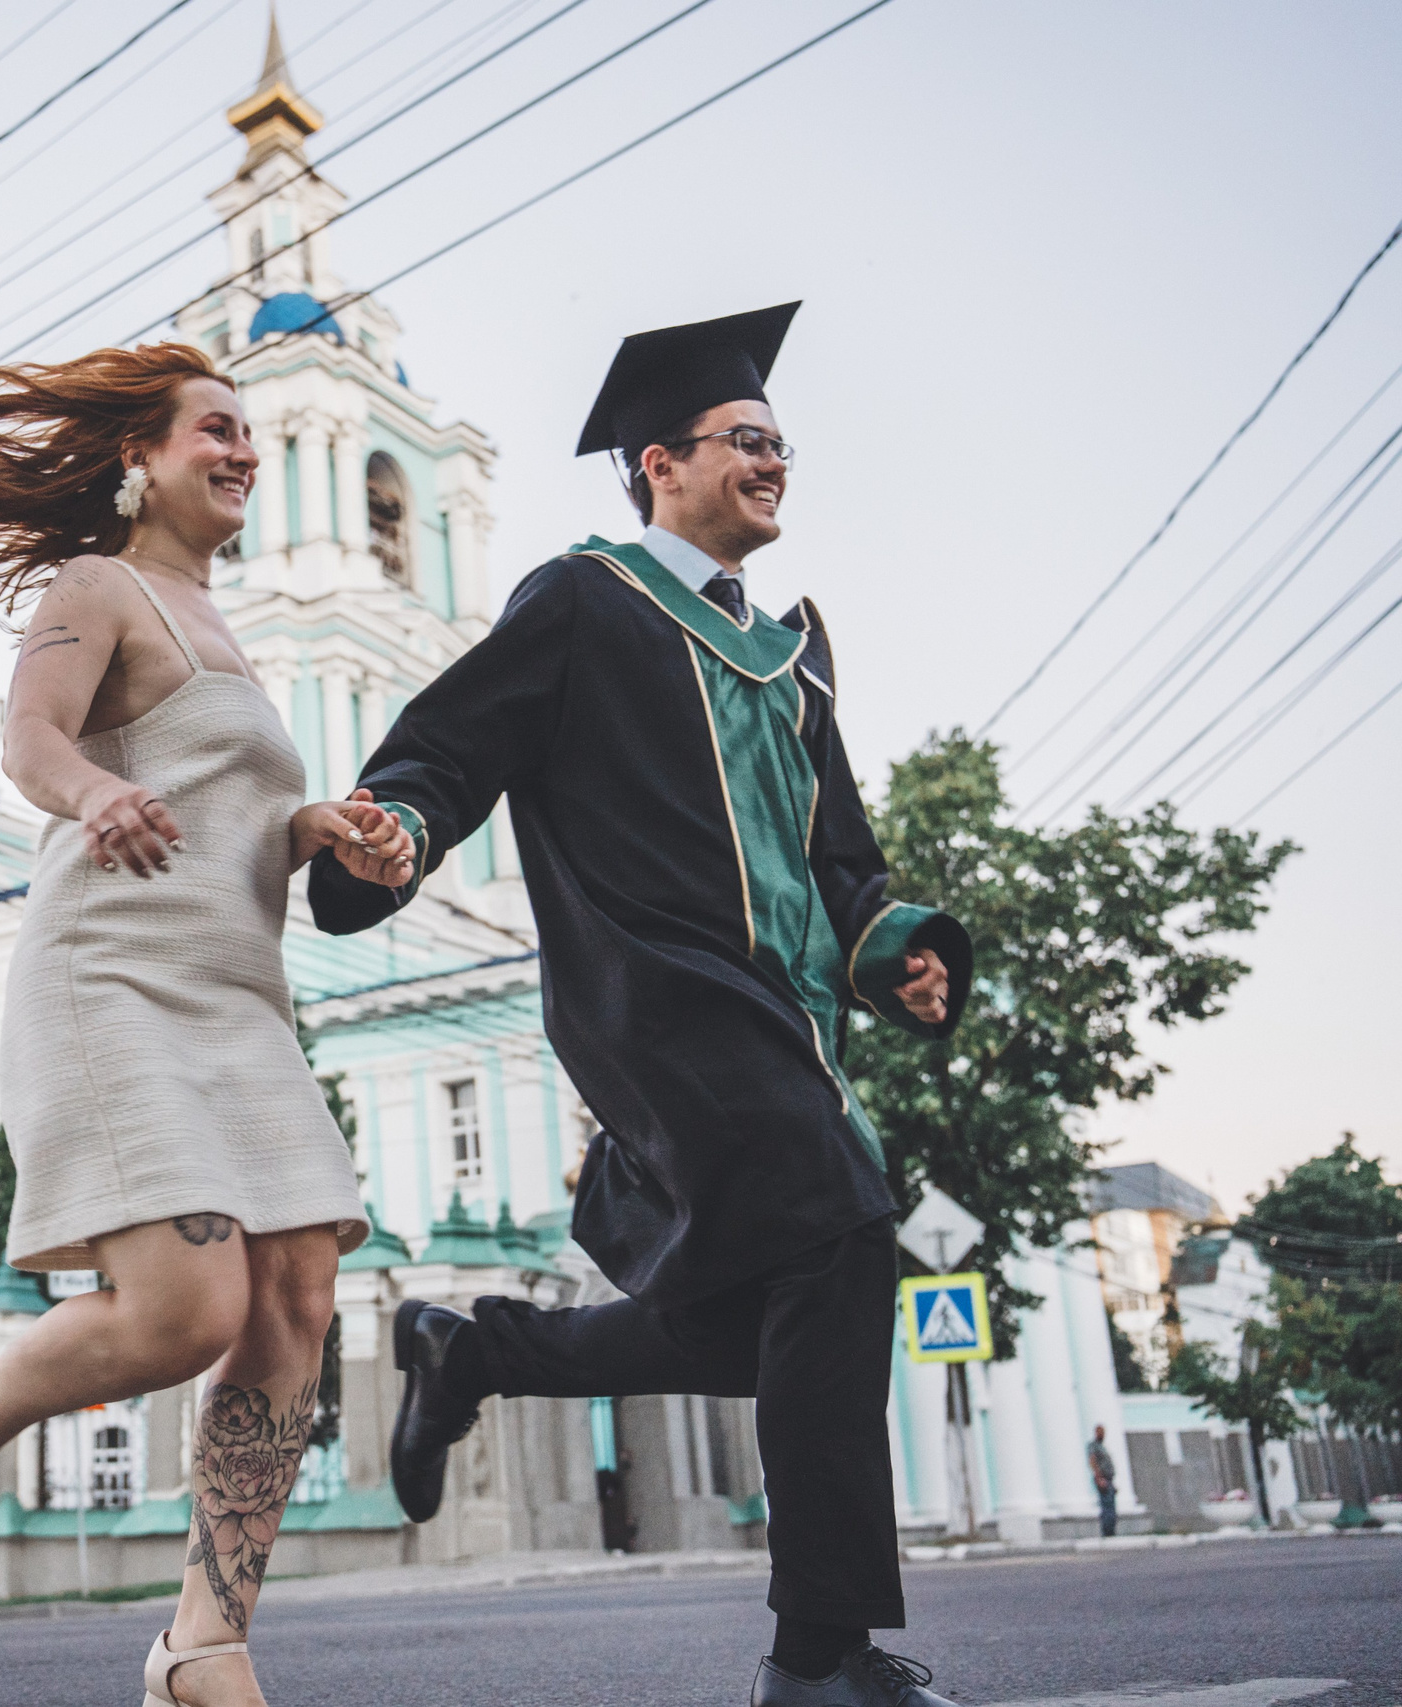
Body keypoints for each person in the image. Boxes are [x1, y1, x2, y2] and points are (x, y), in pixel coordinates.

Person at [310, 304, 974, 1707]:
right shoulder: (586, 600)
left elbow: (842, 863)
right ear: (659, 462)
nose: (773, 460)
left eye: (781, 443)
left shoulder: (793, 658)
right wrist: (395, 832)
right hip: (660, 1007)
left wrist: (899, 950)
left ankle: (474, 1348)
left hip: (786, 1028)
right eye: (745, 439)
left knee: (763, 1322)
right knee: (846, 1233)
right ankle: (818, 1658)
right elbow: (448, 749)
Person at [0, 342, 415, 1707]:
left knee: (298, 1296)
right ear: (140, 458)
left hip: (242, 1005)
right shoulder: (95, 586)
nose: (242, 452)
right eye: (213, 429)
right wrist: (88, 793)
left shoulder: (232, 633)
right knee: (183, 1309)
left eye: (250, 436)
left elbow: (225, 810)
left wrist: (316, 826)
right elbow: (31, 738)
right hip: (110, 980)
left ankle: (202, 1642)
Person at [1090, 1425, 1120, 1537]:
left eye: (1103, 1432)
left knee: (1112, 1508)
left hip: (1109, 1479)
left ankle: (1111, 1531)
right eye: (1100, 1432)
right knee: (1107, 1508)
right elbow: (1093, 1462)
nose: (1102, 1434)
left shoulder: (1102, 1446)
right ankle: (1107, 1532)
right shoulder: (1094, 1446)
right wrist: (1099, 1479)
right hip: (1103, 1480)